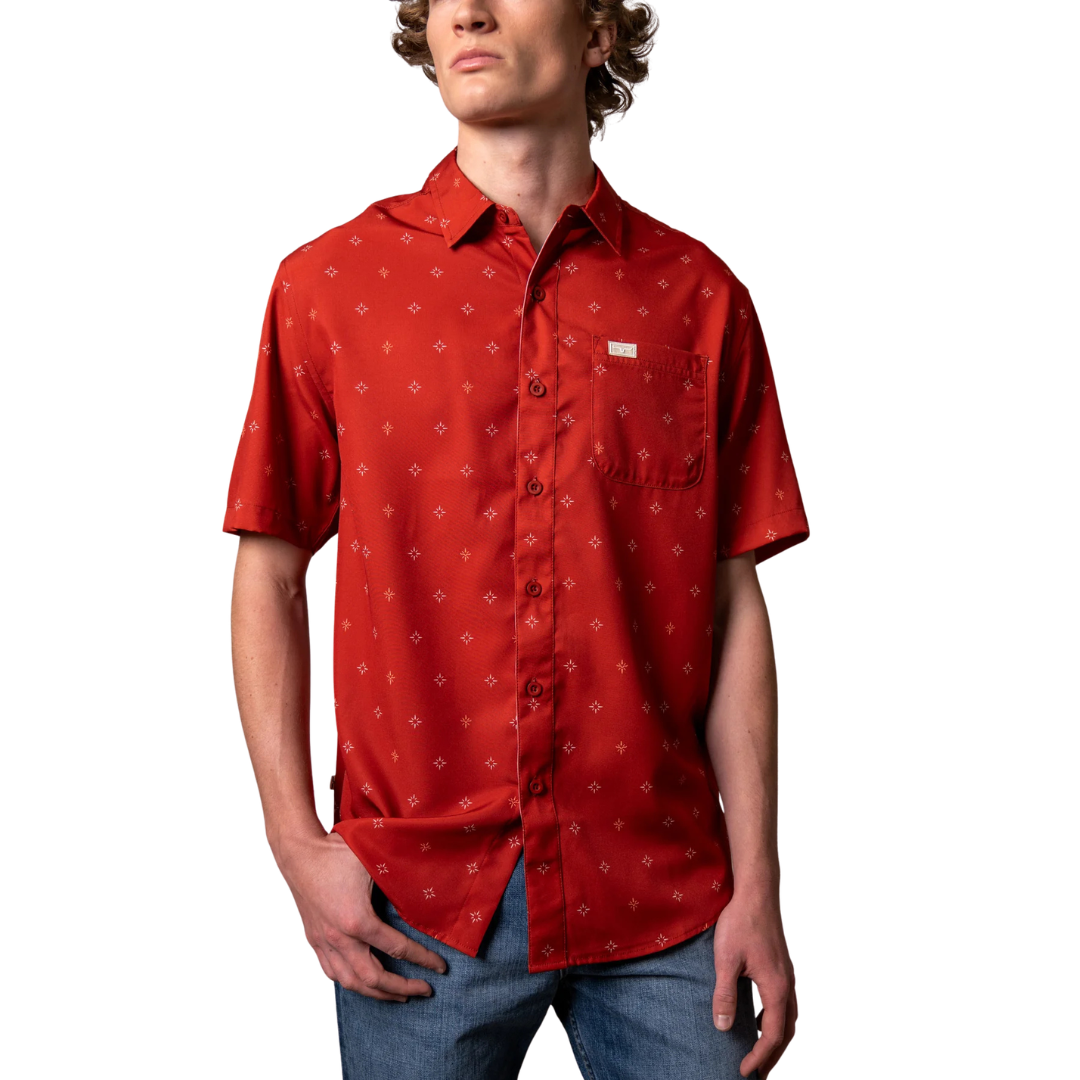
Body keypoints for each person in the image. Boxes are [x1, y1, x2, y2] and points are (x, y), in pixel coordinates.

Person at [222, 2, 809, 1077]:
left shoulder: (699, 298)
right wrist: (295, 842)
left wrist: (760, 881)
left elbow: (731, 606)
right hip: (417, 904)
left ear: (597, 33)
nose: (469, 11)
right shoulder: (332, 286)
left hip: (667, 894)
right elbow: (270, 573)